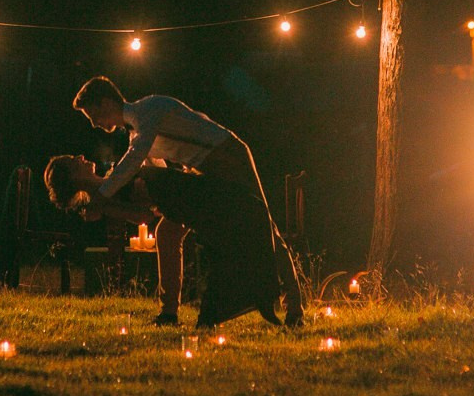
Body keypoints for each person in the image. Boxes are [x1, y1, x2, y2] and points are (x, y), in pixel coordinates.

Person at [72, 76, 304, 327]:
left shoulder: (149, 110)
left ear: (106, 103)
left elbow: (134, 159)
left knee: (266, 226)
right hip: (203, 172)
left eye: (92, 115)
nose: (94, 124)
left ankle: (294, 307)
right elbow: (155, 177)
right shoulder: (137, 133)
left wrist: (102, 195)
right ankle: (169, 313)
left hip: (228, 156)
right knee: (167, 233)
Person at [44, 154, 282, 329]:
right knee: (175, 234)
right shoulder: (104, 195)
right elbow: (141, 215)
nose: (81, 157)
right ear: (73, 176)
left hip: (181, 193)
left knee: (242, 225)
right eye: (75, 160)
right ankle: (176, 311)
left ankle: (251, 297)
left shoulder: (109, 180)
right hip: (181, 199)